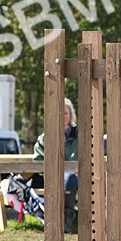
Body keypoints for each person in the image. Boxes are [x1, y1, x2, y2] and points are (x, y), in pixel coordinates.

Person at [27, 98, 79, 233]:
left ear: (71, 115)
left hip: (77, 176)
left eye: (66, 113)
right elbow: (38, 160)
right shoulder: (45, 137)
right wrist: (51, 173)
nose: (63, 116)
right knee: (64, 180)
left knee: (70, 179)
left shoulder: (80, 134)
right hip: (53, 176)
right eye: (60, 113)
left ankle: (65, 221)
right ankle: (61, 221)